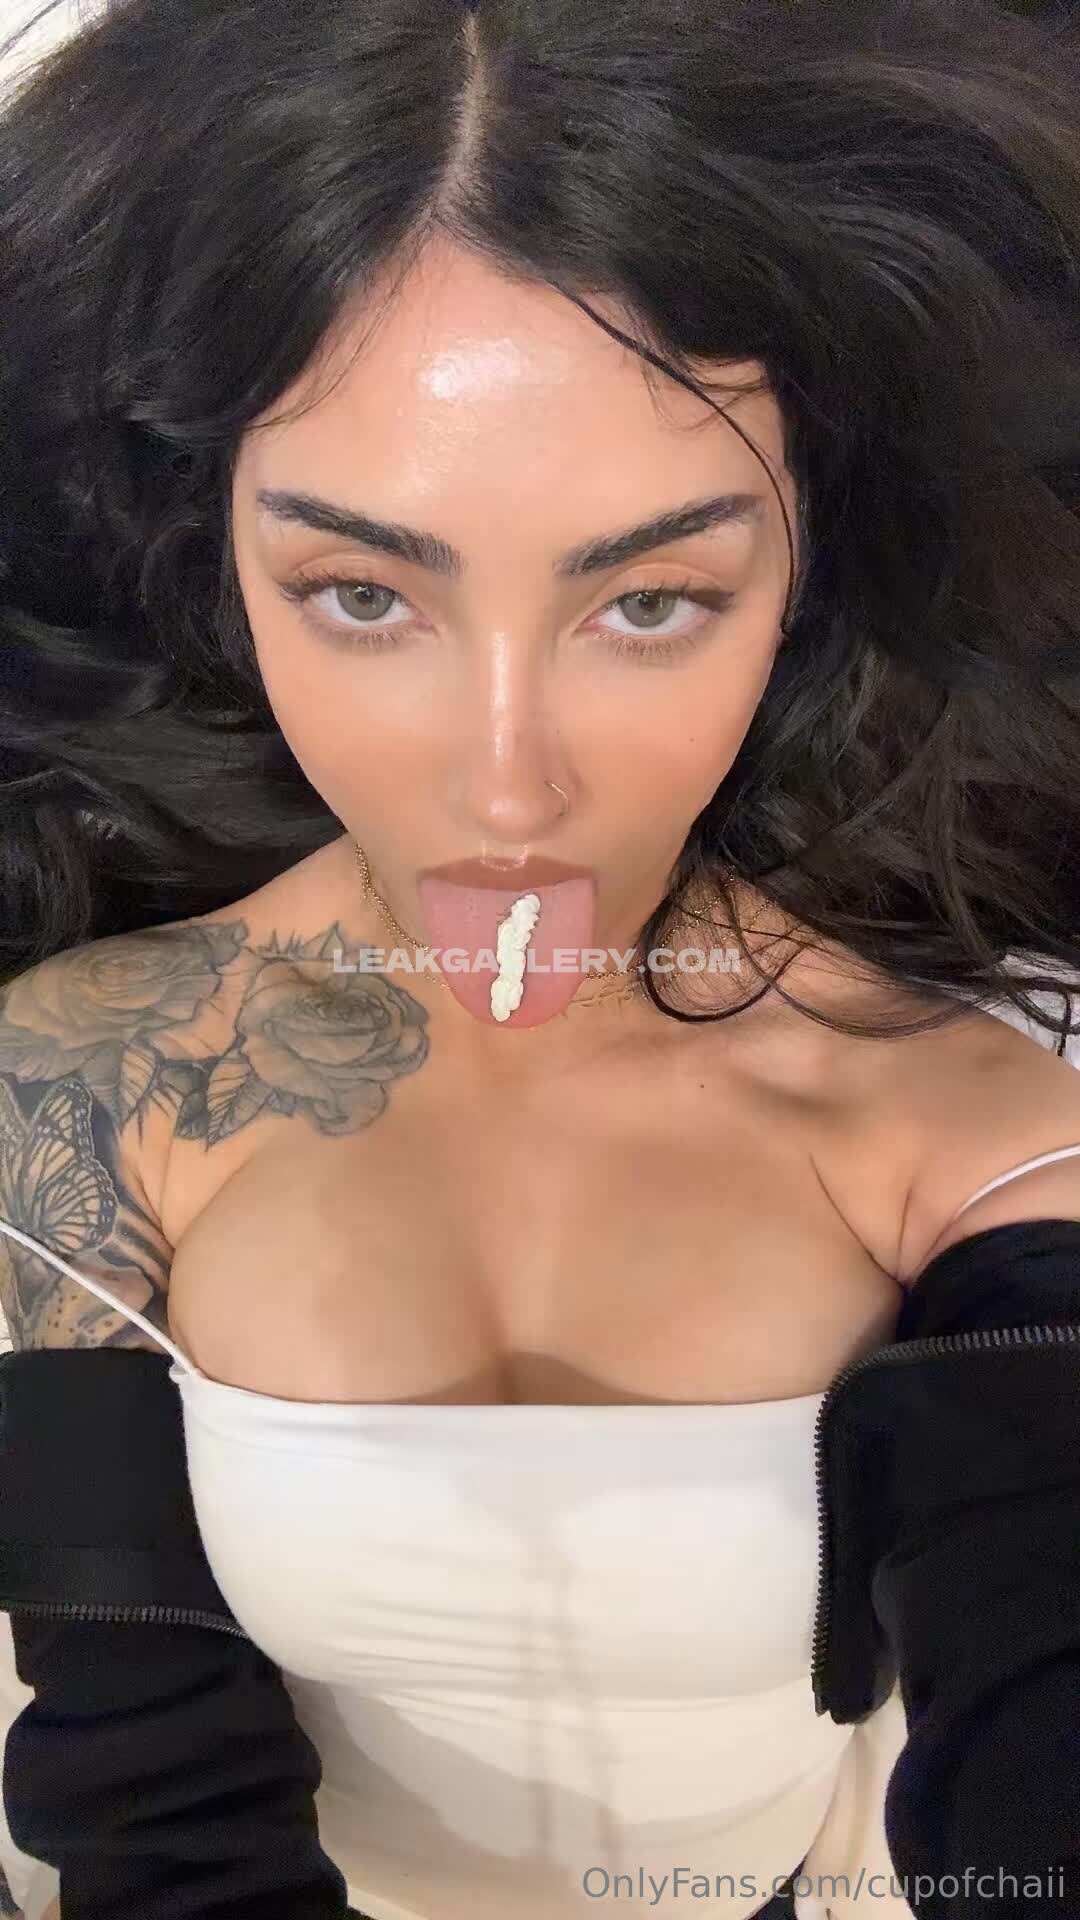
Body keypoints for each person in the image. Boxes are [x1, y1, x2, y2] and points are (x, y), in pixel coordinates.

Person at [1, 0, 1079, 1916]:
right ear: (216, 559)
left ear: (807, 573)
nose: (506, 785)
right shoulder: (96, 1069)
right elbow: (137, 1765)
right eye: (362, 592)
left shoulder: (973, 1124)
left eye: (651, 600)